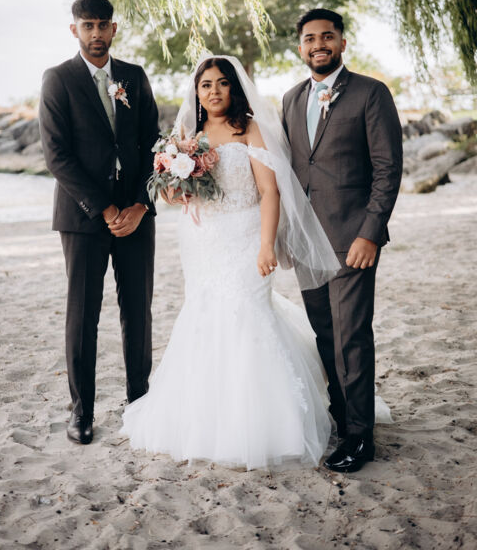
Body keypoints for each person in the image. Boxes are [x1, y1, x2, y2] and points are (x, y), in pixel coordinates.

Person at [120, 55, 342, 470]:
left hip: (245, 236)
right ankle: (206, 418)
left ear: (234, 88)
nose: (214, 91)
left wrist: (266, 246)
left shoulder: (249, 128)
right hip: (202, 239)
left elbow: (270, 191)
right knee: (204, 314)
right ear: (197, 92)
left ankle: (262, 421)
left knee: (248, 313)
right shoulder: (186, 135)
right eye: (206, 85)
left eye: (222, 83)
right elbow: (174, 196)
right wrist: (174, 184)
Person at [282, 8, 403, 472]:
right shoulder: (291, 99)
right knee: (325, 334)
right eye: (310, 38)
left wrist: (370, 233)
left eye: (327, 36)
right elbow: (290, 171)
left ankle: (359, 437)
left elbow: (387, 169)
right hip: (306, 242)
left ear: (342, 43)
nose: (319, 45)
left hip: (352, 239)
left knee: (352, 336)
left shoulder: (371, 93)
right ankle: (341, 418)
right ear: (300, 47)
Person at [39, 0, 160, 445]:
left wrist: (141, 205)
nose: (95, 33)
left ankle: (140, 404)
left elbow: (153, 144)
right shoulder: (58, 79)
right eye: (87, 25)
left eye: (102, 25)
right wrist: (106, 209)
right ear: (74, 29)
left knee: (138, 312)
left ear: (114, 29)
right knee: (83, 314)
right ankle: (82, 412)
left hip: (136, 216)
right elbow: (57, 156)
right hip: (84, 217)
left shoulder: (134, 76)